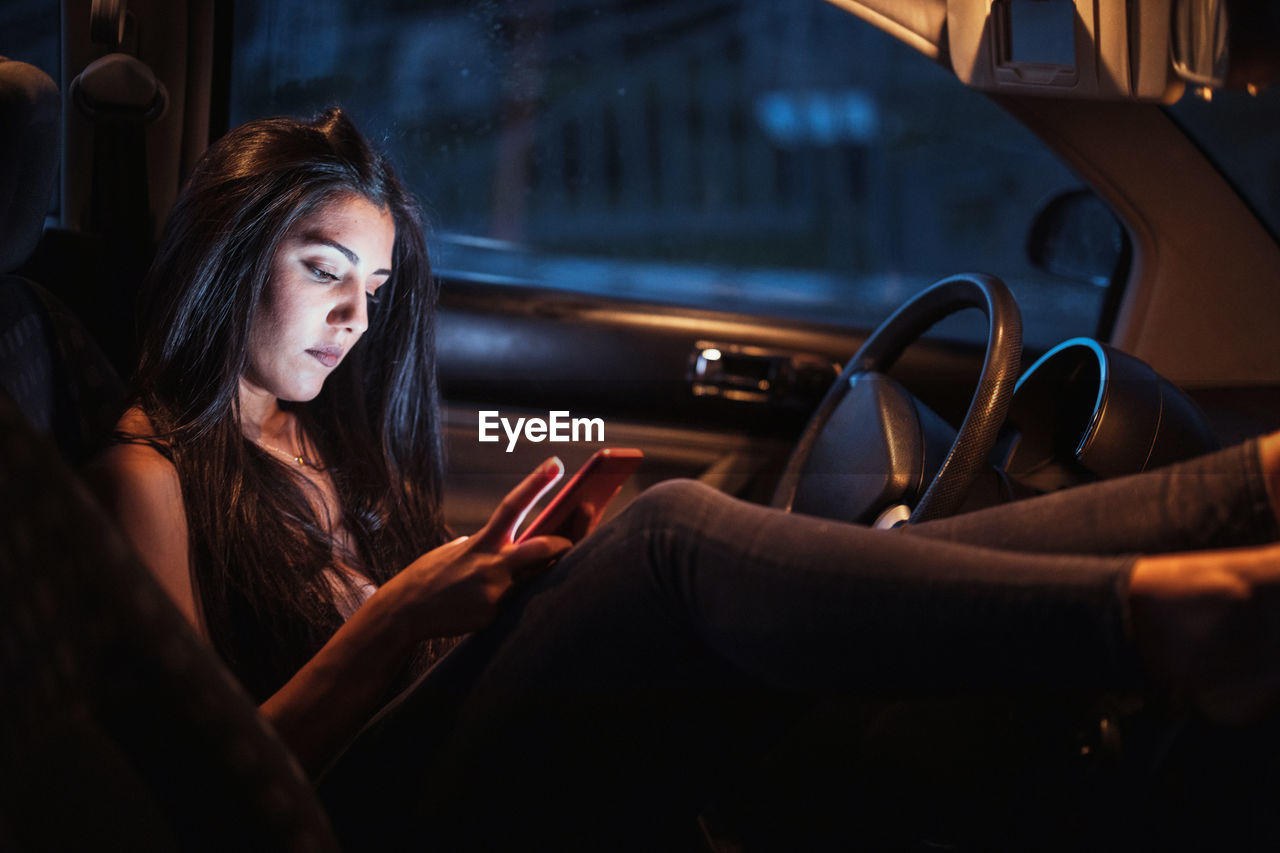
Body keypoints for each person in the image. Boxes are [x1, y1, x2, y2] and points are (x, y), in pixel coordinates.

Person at [89, 108, 1280, 849]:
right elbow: (202, 788)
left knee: (794, 593)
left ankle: (1243, 498)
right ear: (231, 258)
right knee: (671, 544)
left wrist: (475, 585)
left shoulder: (316, 436)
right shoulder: (148, 468)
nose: (357, 317)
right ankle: (1158, 618)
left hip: (437, 738)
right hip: (352, 818)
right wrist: (406, 608)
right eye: (325, 269)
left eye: (381, 289)